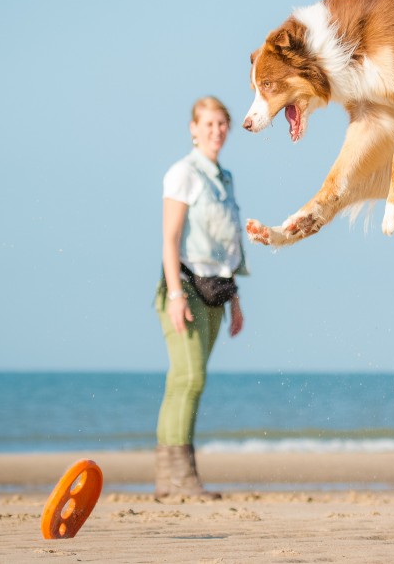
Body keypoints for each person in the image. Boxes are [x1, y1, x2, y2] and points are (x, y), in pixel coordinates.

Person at [154, 96, 247, 499]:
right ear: (193, 129)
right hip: (185, 286)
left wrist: (236, 299)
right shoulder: (183, 173)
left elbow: (229, 243)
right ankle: (177, 477)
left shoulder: (223, 178)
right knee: (188, 378)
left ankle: (172, 481)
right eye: (208, 124)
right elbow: (170, 239)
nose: (216, 131)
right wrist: (175, 294)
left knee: (188, 382)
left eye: (222, 124)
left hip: (216, 290)